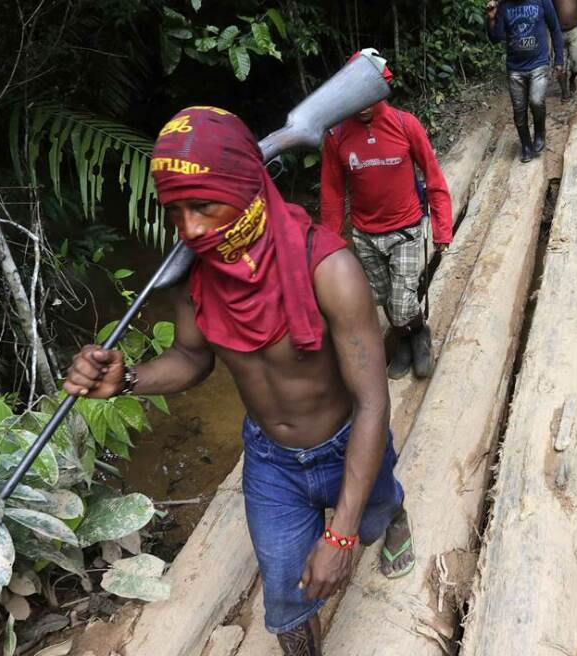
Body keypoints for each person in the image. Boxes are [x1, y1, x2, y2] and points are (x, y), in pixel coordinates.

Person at [63, 106, 415, 655]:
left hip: (347, 440)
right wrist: (127, 378)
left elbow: (373, 403)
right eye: (175, 212)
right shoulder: (197, 273)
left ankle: (394, 516)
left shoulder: (329, 269)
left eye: (203, 206)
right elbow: (189, 356)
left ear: (248, 187)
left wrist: (340, 535)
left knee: (374, 513)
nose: (191, 229)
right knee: (285, 596)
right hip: (272, 461)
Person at [320, 52, 453, 380]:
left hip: (406, 228)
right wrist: (329, 243)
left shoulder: (405, 124)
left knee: (403, 300)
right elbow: (332, 192)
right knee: (383, 298)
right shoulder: (336, 135)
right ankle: (405, 342)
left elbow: (433, 176)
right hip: (365, 233)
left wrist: (442, 228)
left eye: (370, 93)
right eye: (356, 94)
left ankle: (420, 334)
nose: (363, 103)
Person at [486, 0, 565, 162]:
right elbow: (496, 38)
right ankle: (526, 146)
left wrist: (559, 60)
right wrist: (492, 19)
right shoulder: (504, 6)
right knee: (519, 109)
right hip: (515, 68)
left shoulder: (542, 1)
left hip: (539, 63)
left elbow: (555, 28)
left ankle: (540, 132)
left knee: (536, 101)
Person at [553, 0, 577, 98]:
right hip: (557, 32)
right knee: (559, 64)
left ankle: (572, 79)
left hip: (575, 30)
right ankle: (564, 92)